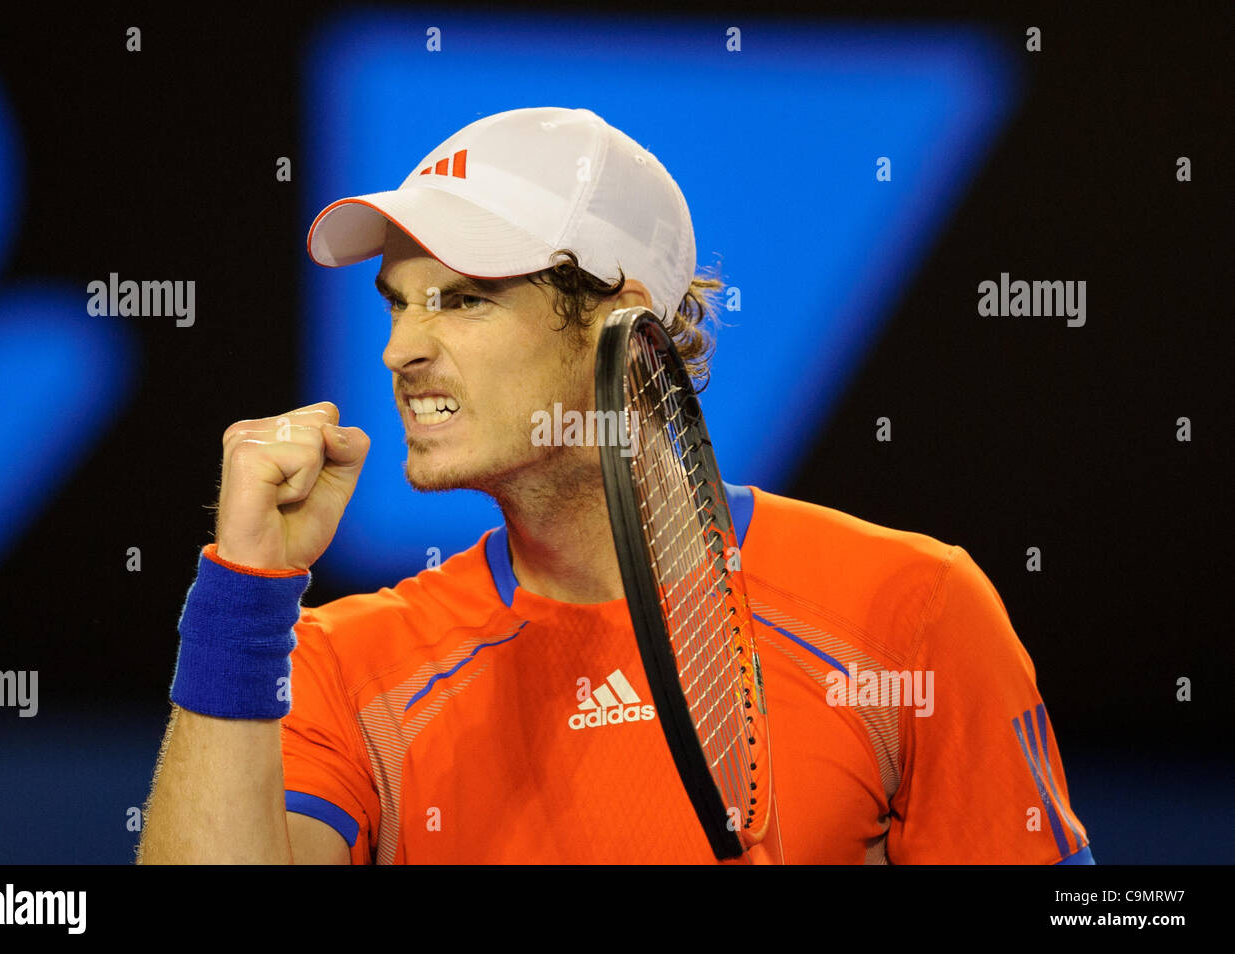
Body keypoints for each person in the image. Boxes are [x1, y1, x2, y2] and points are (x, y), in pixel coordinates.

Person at [137, 106, 1092, 864]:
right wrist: (243, 594)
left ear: (623, 325)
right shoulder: (343, 666)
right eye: (398, 304)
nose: (400, 349)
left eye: (464, 300)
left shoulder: (910, 612)